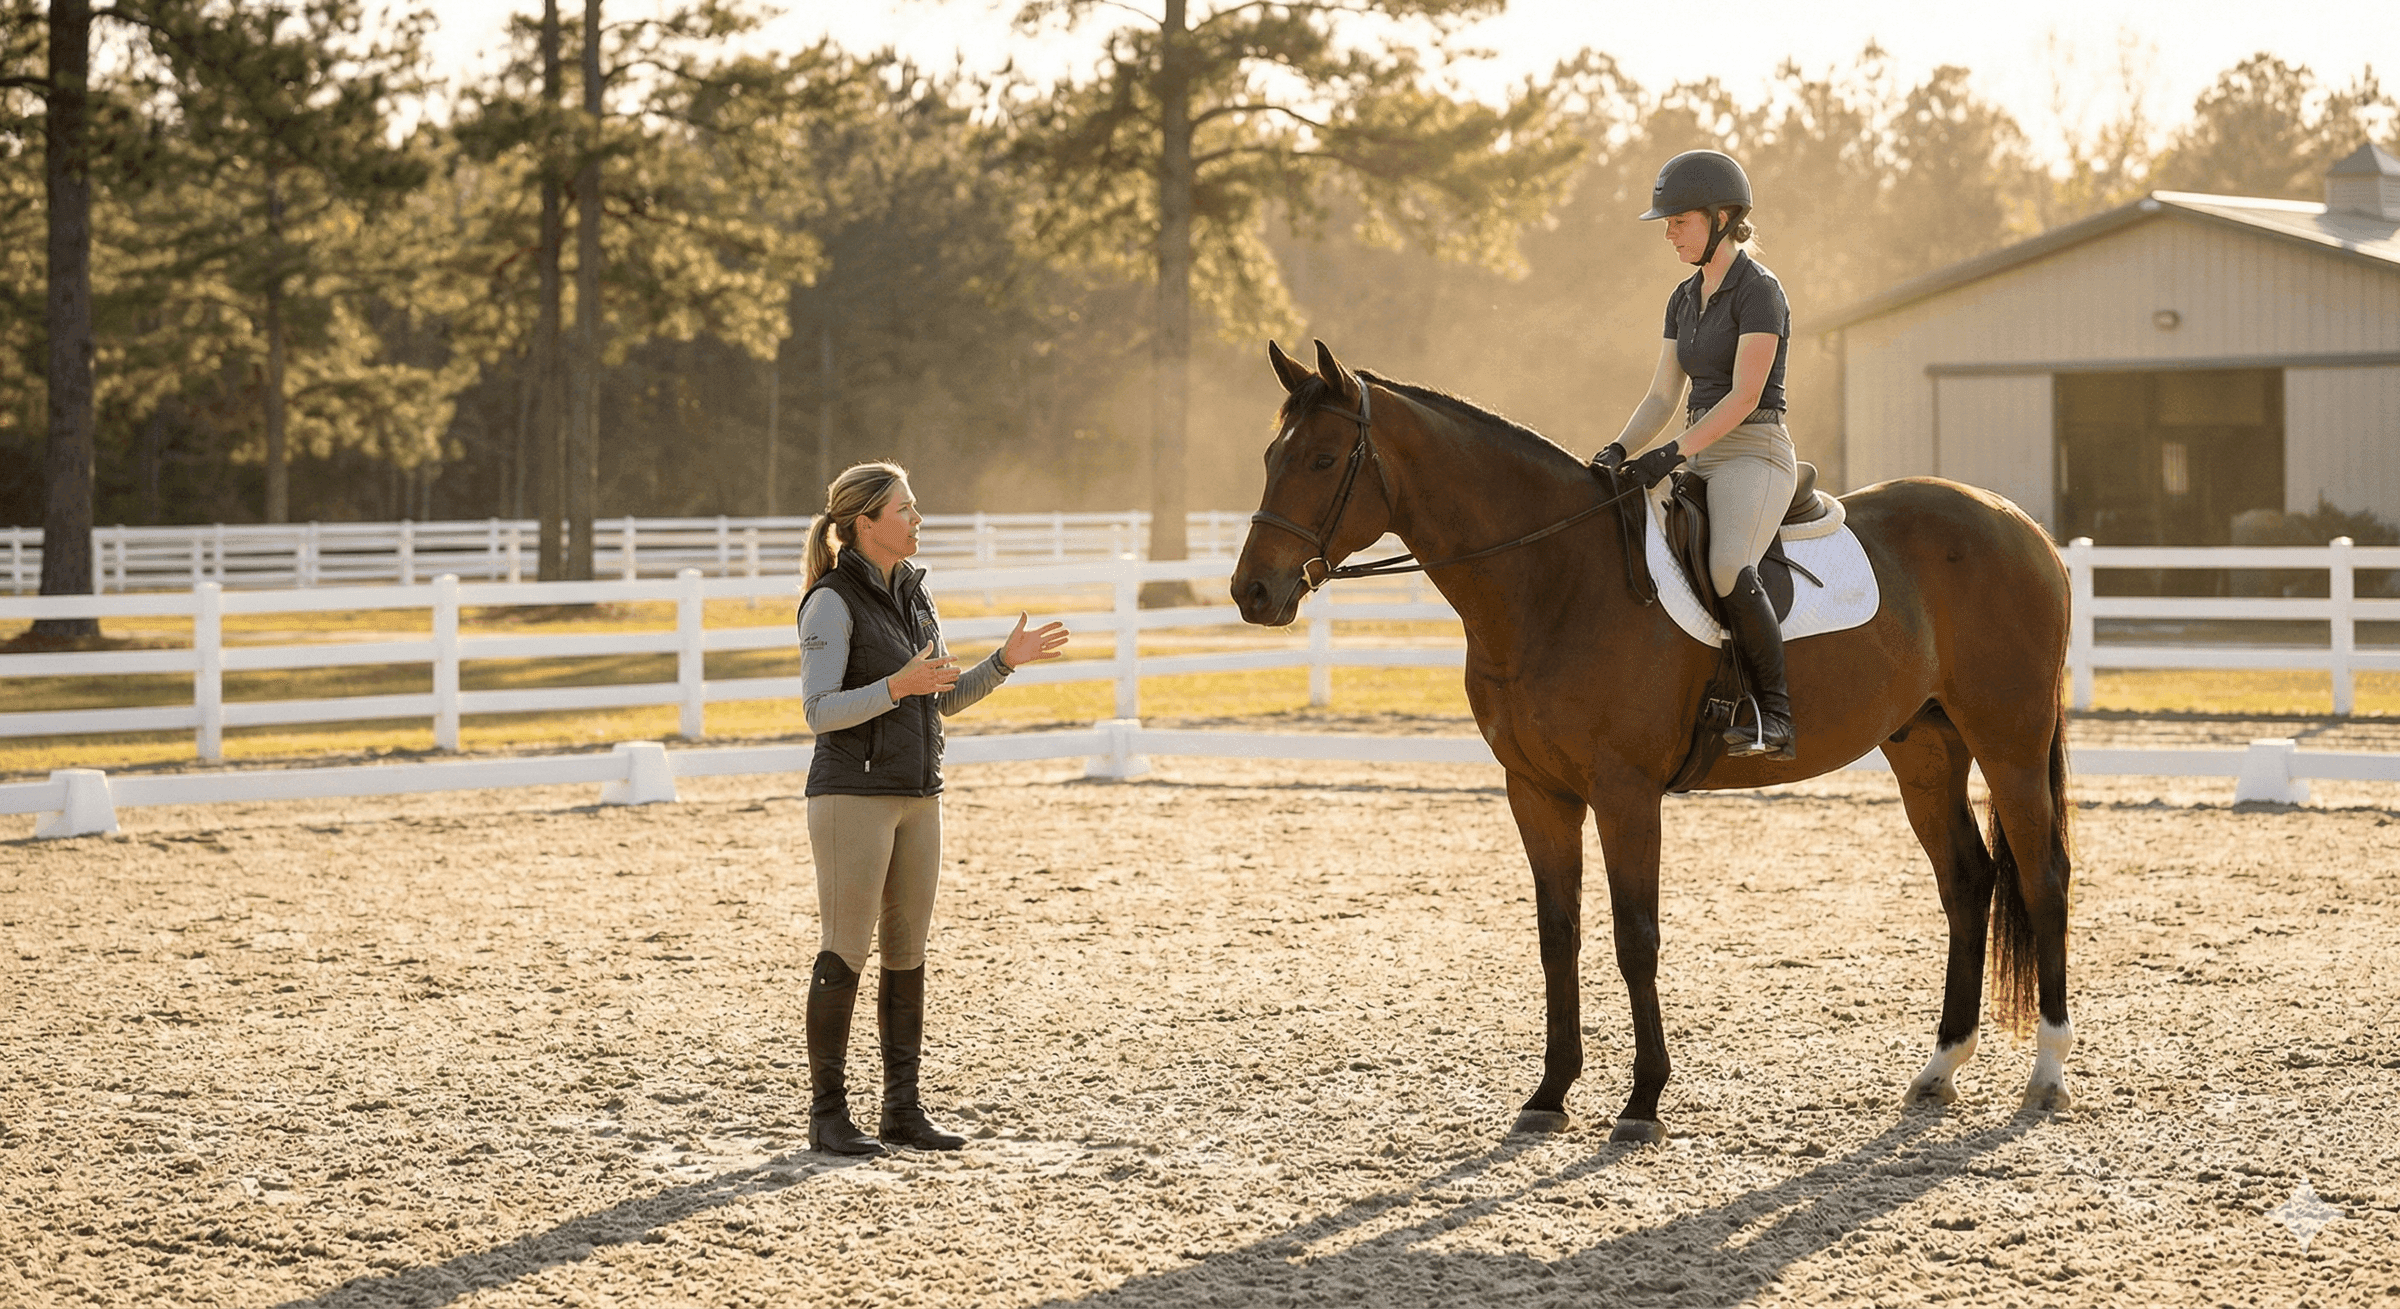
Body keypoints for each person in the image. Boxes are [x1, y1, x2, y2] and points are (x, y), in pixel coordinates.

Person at [796, 462, 1070, 1155]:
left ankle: (902, 1109)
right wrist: (897, 685)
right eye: (905, 510)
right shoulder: (830, 601)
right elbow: (819, 711)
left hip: (921, 793)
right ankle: (828, 1115)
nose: (918, 520)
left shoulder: (917, 595)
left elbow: (940, 696)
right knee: (846, 949)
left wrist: (1004, 661)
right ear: (866, 524)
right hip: (852, 795)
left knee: (909, 951)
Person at [1589, 149, 1799, 761]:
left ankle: (1776, 715)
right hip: (1696, 452)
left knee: (1729, 565)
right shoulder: (1683, 298)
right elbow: (1661, 394)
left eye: (1679, 220)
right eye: (1668, 222)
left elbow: (1743, 397)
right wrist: (1622, 448)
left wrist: (1671, 454)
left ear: (1723, 216)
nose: (1669, 232)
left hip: (1753, 452)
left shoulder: (1760, 292)